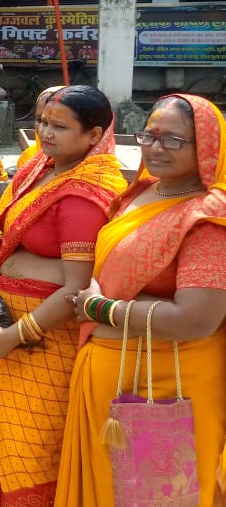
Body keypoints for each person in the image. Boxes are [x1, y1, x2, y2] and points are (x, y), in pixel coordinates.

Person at [56, 94, 226, 507]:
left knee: (162, 496)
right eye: (149, 135)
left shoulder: (208, 216)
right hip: (111, 378)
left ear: (206, 146)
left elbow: (196, 318)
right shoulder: (140, 193)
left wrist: (100, 308)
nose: (155, 148)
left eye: (174, 140)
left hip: (169, 388)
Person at [0, 85, 126, 506]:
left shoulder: (84, 191)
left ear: (95, 135)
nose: (46, 132)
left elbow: (77, 286)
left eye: (60, 126)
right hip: (10, 331)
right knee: (9, 444)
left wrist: (16, 334)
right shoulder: (39, 168)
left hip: (43, 343)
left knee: (36, 450)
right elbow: (3, 236)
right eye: (43, 122)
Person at [14, 85, 64, 170]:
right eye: (41, 120)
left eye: (58, 125)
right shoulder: (28, 158)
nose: (45, 132)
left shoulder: (88, 168)